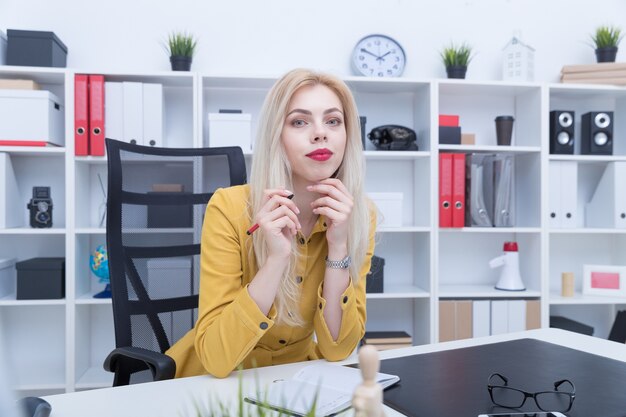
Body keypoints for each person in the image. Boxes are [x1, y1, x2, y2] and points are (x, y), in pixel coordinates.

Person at [166, 68, 376, 378]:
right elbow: (216, 359)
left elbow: (337, 349)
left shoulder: (358, 217)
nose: (321, 133)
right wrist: (277, 258)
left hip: (293, 381)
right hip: (211, 384)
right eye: (299, 121)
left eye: (333, 121)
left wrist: (338, 246)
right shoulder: (229, 208)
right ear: (276, 135)